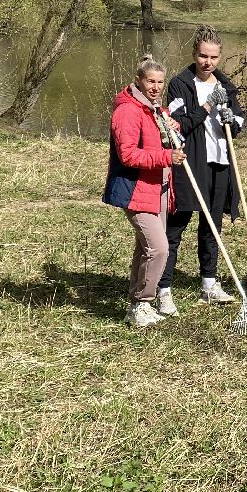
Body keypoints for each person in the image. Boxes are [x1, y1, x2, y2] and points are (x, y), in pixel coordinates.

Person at [163, 27, 246, 310]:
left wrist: (231, 120)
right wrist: (208, 107)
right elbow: (178, 125)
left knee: (212, 225)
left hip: (220, 162)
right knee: (176, 225)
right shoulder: (180, 84)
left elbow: (239, 124)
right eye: (202, 55)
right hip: (190, 161)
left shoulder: (226, 86)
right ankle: (163, 289)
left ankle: (208, 284)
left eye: (213, 57)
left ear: (219, 57)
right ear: (194, 54)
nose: (207, 62)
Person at [103, 55, 187, 329]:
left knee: (144, 249)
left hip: (157, 189)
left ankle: (135, 306)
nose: (156, 87)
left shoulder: (153, 110)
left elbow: (156, 137)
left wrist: (171, 127)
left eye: (160, 82)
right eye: (150, 81)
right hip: (136, 190)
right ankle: (143, 302)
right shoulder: (127, 111)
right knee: (159, 249)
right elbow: (127, 155)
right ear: (139, 80)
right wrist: (166, 157)